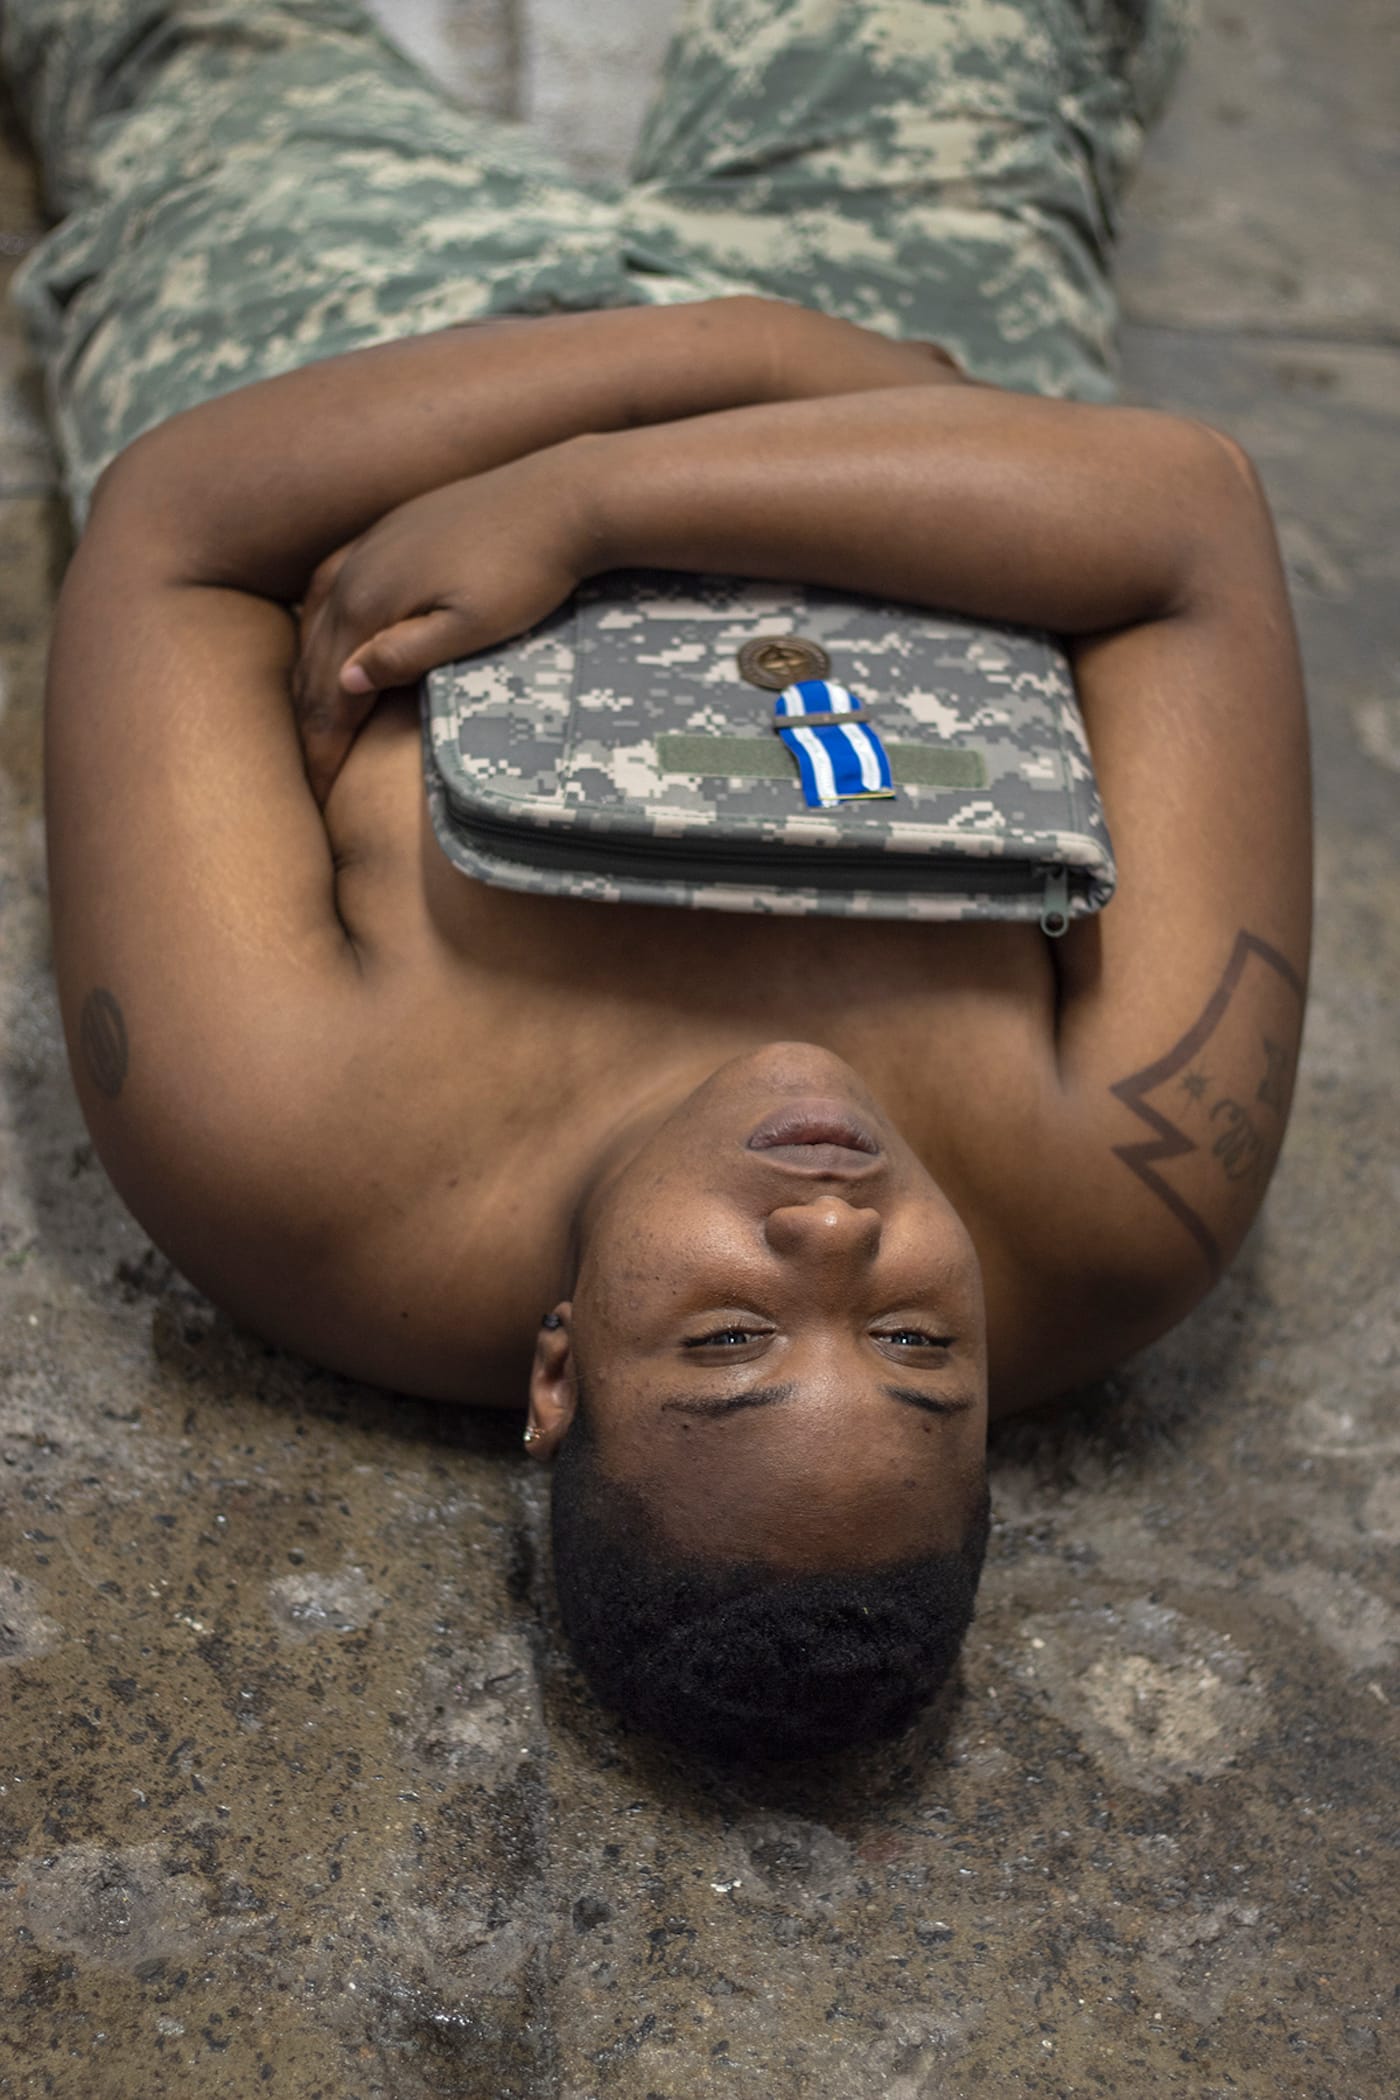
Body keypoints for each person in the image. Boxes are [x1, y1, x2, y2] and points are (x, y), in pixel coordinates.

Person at [4, 0, 1310, 1759]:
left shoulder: (285, 1156)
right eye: (919, 1344)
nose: (835, 1230)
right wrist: (703, 400)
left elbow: (180, 536)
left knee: (178, 40)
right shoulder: (1126, 1198)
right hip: (900, 394)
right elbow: (1186, 522)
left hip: (377, 379)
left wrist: (619, 450)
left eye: (729, 1337)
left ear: (559, 1374)